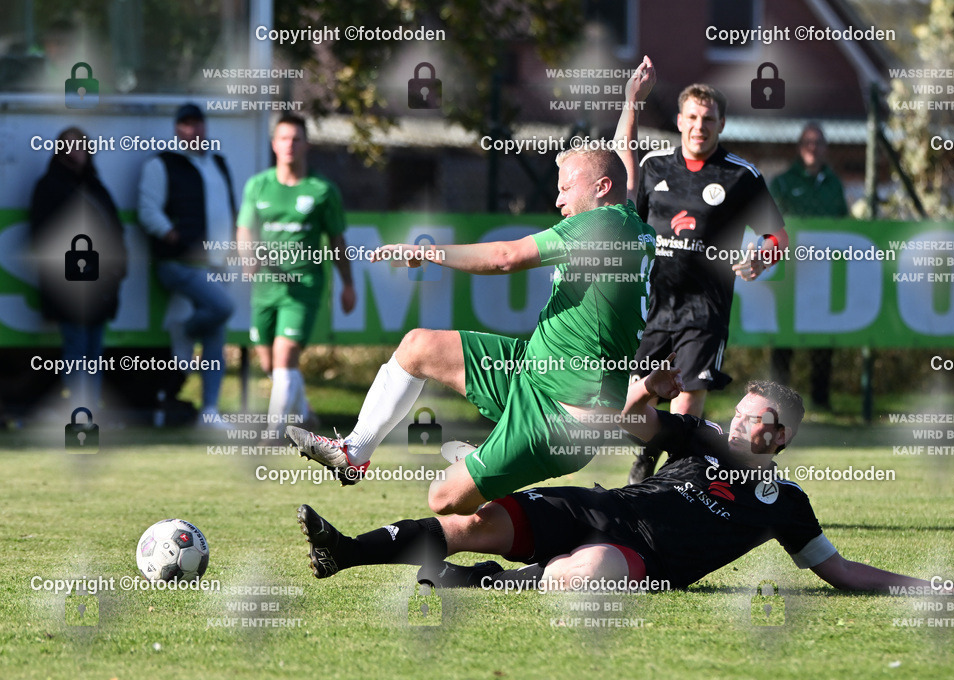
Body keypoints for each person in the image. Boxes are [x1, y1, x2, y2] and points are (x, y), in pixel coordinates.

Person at [293, 373, 931, 594]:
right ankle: (345, 550)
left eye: (754, 419)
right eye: (739, 410)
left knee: (589, 572)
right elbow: (638, 426)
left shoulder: (786, 504)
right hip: (596, 507)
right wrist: (645, 395)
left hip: (643, 559)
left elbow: (841, 572)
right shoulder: (699, 437)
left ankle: (490, 581)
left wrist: (934, 588)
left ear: (781, 437)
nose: (737, 422)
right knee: (471, 524)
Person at [288, 145, 657, 516]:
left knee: (443, 497)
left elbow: (504, 258)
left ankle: (547, 503)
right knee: (418, 347)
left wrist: (428, 252)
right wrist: (631, 103)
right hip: (530, 373)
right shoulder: (627, 221)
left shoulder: (601, 224)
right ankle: (353, 453)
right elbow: (621, 161)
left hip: (561, 418)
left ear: (602, 187)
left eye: (566, 188)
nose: (558, 198)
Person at [616, 59, 790, 484]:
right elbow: (624, 172)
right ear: (679, 120)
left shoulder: (740, 176)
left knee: (689, 393)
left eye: (708, 119)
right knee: (635, 396)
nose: (699, 126)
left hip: (705, 308)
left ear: (722, 123)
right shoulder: (655, 166)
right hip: (652, 304)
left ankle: (669, 483)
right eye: (692, 117)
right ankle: (647, 457)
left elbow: (778, 238)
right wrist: (631, 102)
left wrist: (760, 258)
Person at [236, 114, 357, 443]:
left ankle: (274, 433)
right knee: (269, 363)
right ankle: (304, 411)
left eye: (296, 138)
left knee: (285, 354)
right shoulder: (258, 185)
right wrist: (248, 256)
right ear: (274, 144)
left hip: (302, 287)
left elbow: (336, 241)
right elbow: (245, 229)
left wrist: (348, 284)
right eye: (284, 138)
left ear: (307, 144)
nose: (290, 144)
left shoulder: (321, 190)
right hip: (265, 288)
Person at [137, 103, 235, 427]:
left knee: (216, 338)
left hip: (216, 263)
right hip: (177, 262)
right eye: (186, 124)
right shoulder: (162, 163)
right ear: (176, 129)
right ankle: (184, 329)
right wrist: (171, 234)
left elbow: (228, 210)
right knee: (222, 308)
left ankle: (209, 410)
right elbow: (147, 209)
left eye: (198, 123)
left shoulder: (217, 162)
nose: (194, 130)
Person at [30, 126, 127, 409]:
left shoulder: (96, 187)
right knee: (76, 350)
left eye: (81, 146)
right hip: (69, 286)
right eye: (70, 147)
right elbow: (43, 236)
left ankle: (90, 408)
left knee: (94, 351)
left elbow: (115, 229)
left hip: (101, 285)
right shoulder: (50, 186)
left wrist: (117, 269)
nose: (77, 152)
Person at [768, 123, 848, 410]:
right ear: (800, 147)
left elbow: (843, 225)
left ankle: (821, 402)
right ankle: (775, 402)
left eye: (818, 142)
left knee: (823, 337)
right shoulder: (783, 182)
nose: (813, 148)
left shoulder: (835, 184)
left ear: (826, 148)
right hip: (790, 273)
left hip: (823, 275)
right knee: (783, 340)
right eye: (807, 142)